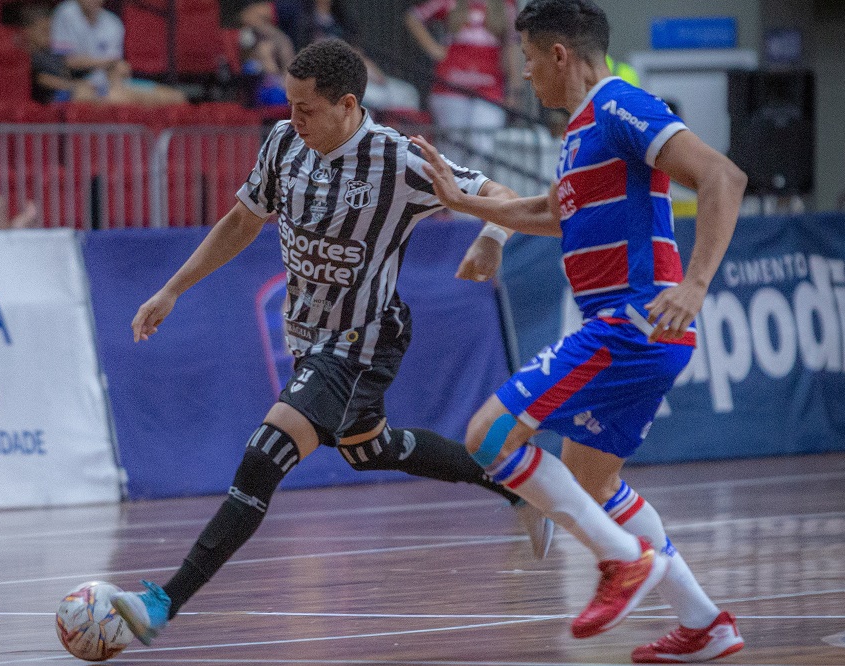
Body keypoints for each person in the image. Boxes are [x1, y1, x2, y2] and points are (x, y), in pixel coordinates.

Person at [109, 37, 669, 648]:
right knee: (369, 450)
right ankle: (513, 486)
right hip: (309, 339)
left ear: (348, 105)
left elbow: (502, 196)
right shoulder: (282, 145)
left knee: (264, 454)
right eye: (289, 107)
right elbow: (243, 221)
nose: (292, 120)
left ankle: (164, 601)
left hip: (363, 340)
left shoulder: (398, 160)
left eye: (305, 109)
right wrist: (172, 290)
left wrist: (491, 237)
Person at [411, 0, 748, 662]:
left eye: (531, 63)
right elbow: (551, 211)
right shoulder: (580, 131)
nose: (527, 77)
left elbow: (722, 177)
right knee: (593, 484)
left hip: (631, 323)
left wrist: (695, 284)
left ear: (560, 55)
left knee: (489, 435)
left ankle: (622, 561)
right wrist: (462, 205)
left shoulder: (619, 103)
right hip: (636, 330)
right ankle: (704, 623)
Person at [405, 0, 523, 166]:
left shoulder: (506, 5)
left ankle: (472, 190)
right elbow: (414, 17)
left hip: (490, 88)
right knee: (453, 149)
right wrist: (434, 49)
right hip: (450, 87)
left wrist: (514, 90)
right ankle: (450, 190)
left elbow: (511, 47)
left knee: (482, 147)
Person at [50, 0, 187, 106]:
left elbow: (115, 67)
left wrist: (117, 70)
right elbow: (67, 62)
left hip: (110, 83)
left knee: (176, 97)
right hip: (76, 84)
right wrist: (109, 63)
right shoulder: (65, 13)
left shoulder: (113, 23)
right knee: (116, 99)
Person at [306, 0, 420, 113]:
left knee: (407, 93)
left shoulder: (340, 18)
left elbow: (356, 52)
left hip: (354, 74)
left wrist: (374, 73)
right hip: (327, 80)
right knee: (372, 99)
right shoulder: (303, 18)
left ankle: (393, 131)